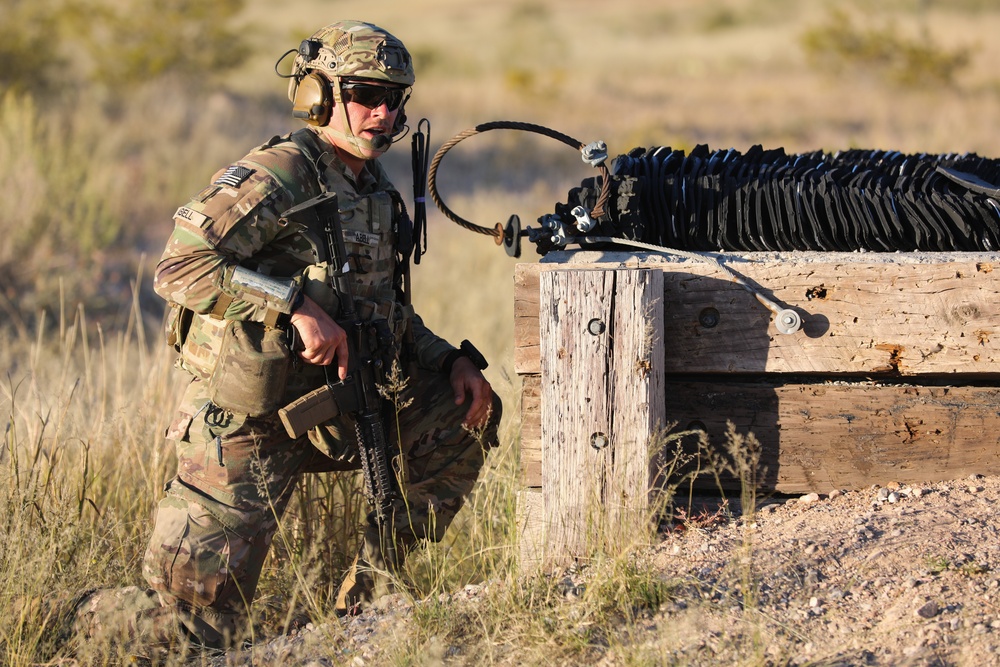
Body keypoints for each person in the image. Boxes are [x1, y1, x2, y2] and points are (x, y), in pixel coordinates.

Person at [63, 19, 501, 655]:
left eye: (395, 98)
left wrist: (453, 360)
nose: (383, 111)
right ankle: (86, 616)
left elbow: (385, 314)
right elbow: (179, 267)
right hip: (246, 421)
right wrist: (291, 303)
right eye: (364, 93)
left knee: (462, 413)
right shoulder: (280, 174)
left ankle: (367, 609)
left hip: (338, 408)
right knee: (194, 630)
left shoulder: (374, 188)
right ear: (319, 95)